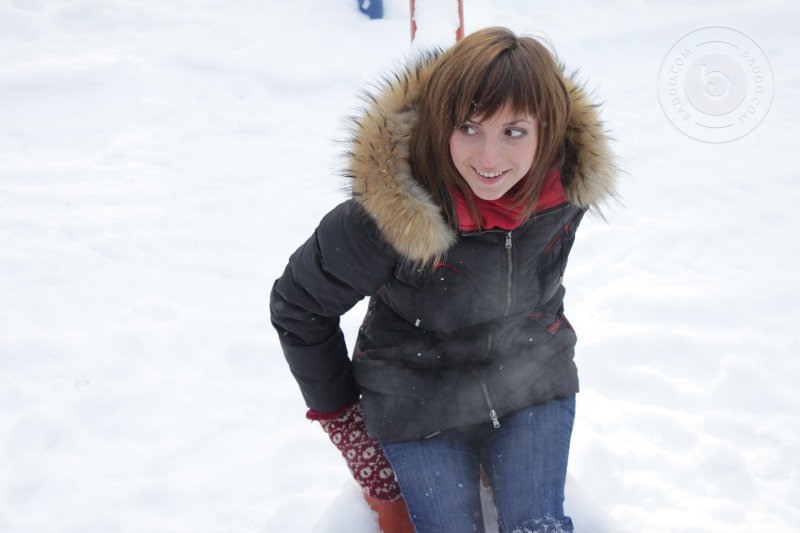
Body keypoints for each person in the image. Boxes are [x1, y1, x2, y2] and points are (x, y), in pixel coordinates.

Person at [270, 26, 617, 533]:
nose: (490, 158)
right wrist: (347, 426)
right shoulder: (388, 216)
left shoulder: (562, 192)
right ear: (439, 124)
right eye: (469, 128)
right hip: (415, 396)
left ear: (548, 130)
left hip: (529, 381)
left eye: (513, 131)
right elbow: (298, 307)